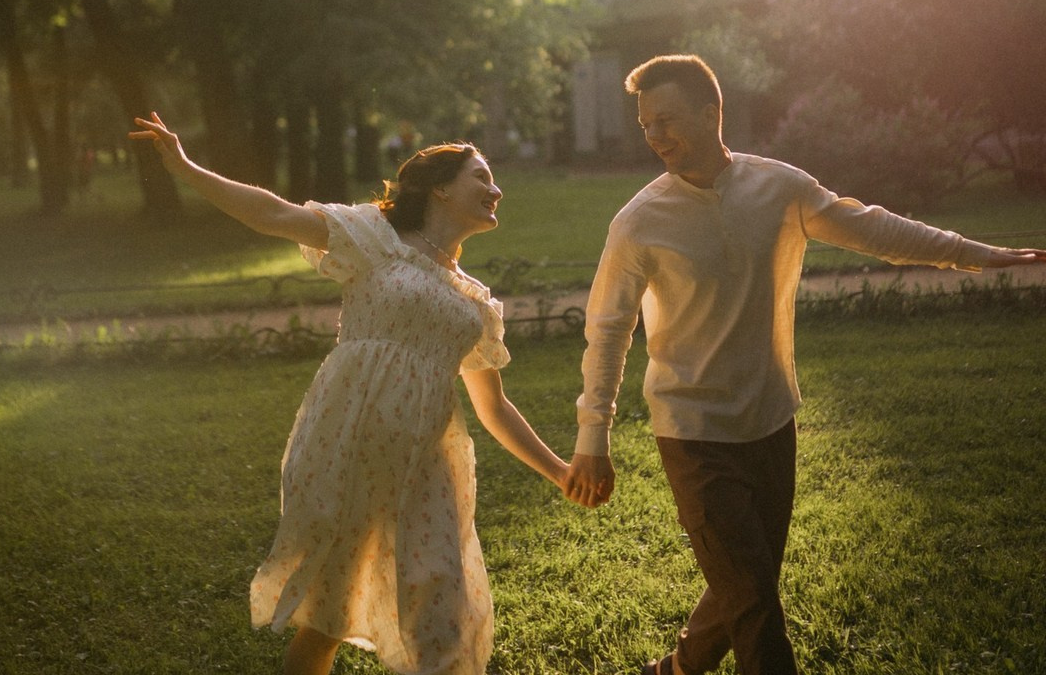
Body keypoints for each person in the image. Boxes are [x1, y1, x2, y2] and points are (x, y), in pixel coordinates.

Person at [561, 54, 1046, 675]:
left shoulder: (780, 188)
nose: (654, 137)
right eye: (645, 124)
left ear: (712, 114)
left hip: (770, 420)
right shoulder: (637, 223)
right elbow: (606, 331)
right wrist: (592, 437)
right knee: (759, 607)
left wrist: (978, 255)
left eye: (668, 120)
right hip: (693, 432)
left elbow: (875, 230)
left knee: (749, 577)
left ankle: (677, 669)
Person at [129, 113, 569, 675]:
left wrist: (559, 472)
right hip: (350, 453)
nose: (495, 189)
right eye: (480, 177)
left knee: (442, 610)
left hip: (428, 467)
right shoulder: (373, 240)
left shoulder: (473, 302)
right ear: (439, 187)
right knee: (328, 616)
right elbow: (272, 214)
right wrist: (185, 166)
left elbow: (493, 407)